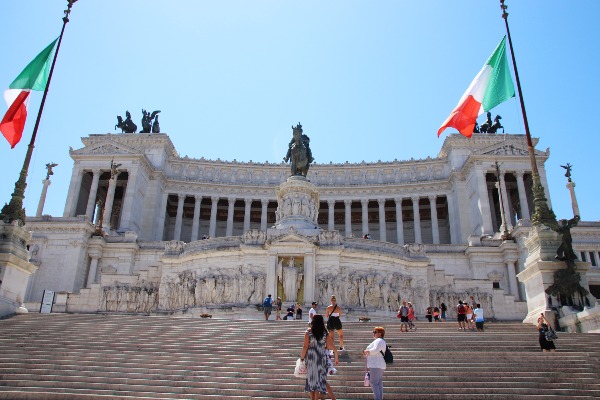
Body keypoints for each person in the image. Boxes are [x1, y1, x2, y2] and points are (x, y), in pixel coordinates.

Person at [301, 314, 339, 400]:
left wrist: (302, 358)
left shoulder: (308, 332)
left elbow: (305, 347)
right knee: (319, 380)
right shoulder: (325, 333)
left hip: (311, 358)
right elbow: (329, 347)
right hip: (321, 358)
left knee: (311, 380)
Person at [363, 326, 387, 400]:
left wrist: (367, 351)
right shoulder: (380, 340)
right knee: (378, 383)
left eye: (375, 332)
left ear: (380, 334)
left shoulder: (379, 340)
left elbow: (376, 350)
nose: (373, 333)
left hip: (376, 364)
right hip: (378, 364)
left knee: (373, 382)